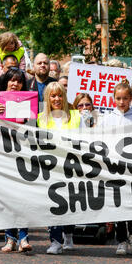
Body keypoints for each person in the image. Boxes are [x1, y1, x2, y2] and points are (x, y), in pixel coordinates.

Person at [101, 79, 132, 255]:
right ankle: (121, 240)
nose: (122, 102)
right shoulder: (107, 118)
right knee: (119, 203)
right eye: (118, 98)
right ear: (113, 99)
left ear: (131, 98)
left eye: (125, 98)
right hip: (115, 167)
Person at [37, 82, 81, 254]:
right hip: (50, 168)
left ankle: (68, 234)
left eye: (60, 95)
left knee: (69, 202)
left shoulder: (76, 116)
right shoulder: (40, 118)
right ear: (47, 98)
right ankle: (55, 240)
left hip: (70, 167)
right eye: (53, 95)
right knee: (53, 203)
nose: (56, 99)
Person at [0, 68, 33, 253]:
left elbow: (34, 129)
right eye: (11, 80)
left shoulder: (30, 103)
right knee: (7, 198)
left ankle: (23, 237)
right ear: (5, 82)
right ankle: (10, 238)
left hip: (23, 156)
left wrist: (28, 120)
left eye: (18, 81)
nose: (15, 84)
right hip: (3, 156)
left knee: (23, 198)